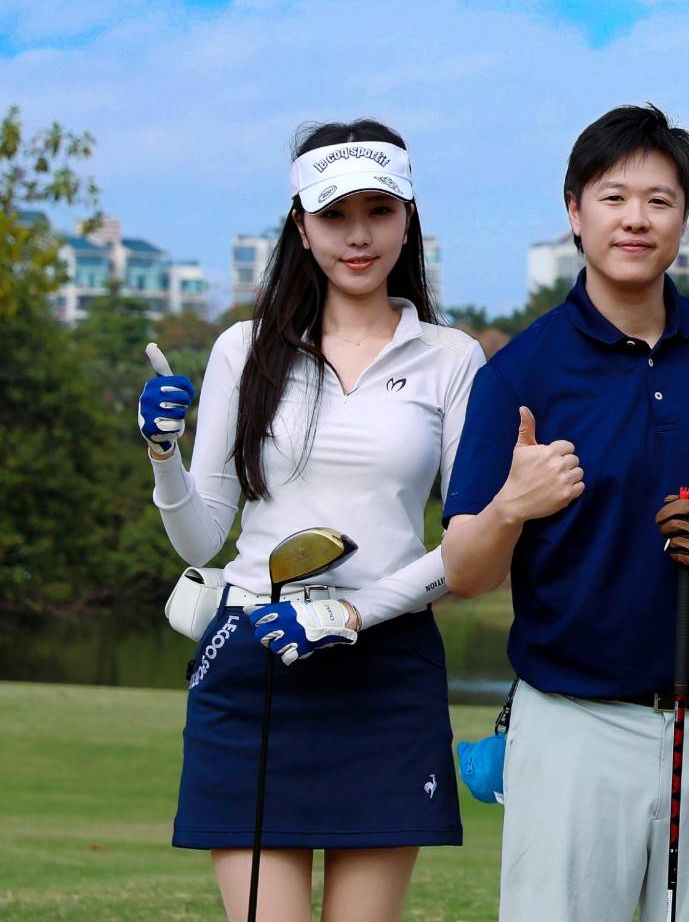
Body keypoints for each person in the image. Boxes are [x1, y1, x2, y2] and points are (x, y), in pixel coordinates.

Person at [440, 103, 689, 922]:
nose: (636, 218)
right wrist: (513, 505)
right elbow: (465, 570)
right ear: (574, 211)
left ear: (684, 216)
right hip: (574, 727)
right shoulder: (520, 372)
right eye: (613, 197)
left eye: (659, 199)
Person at [135, 119, 484, 921]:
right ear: (301, 225)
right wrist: (162, 453)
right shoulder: (244, 349)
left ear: (408, 219)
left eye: (378, 211)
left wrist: (356, 611)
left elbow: (466, 546)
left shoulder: (451, 357)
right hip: (256, 658)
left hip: (387, 667)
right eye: (334, 215)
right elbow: (202, 536)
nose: (358, 236)